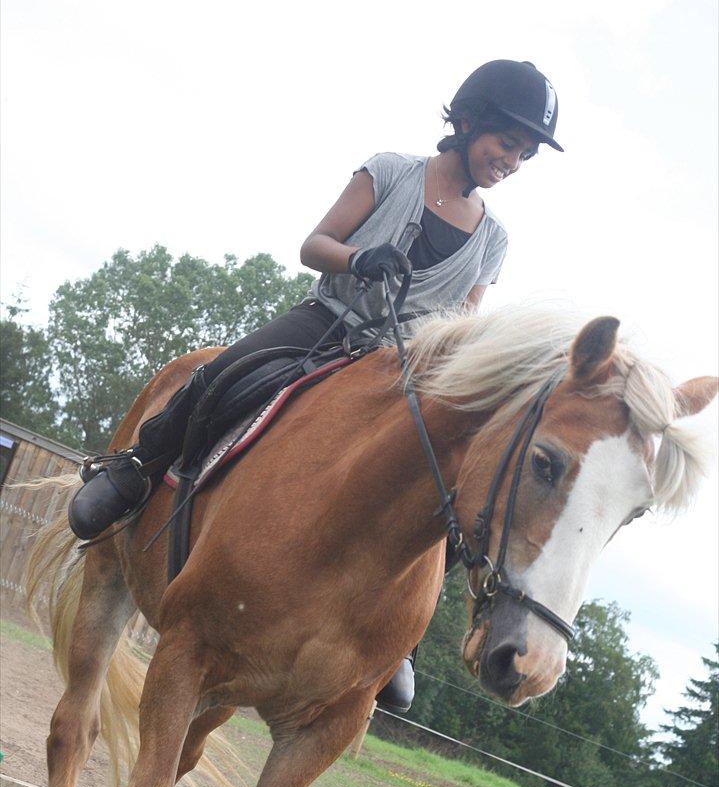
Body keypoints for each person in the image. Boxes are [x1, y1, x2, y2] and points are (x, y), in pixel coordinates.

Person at [68, 58, 563, 711]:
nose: (512, 161)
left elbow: (463, 325)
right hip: (326, 323)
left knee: (451, 482)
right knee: (221, 372)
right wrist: (359, 258)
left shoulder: (492, 238)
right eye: (507, 143)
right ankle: (135, 469)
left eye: (524, 154)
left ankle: (402, 639)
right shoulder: (389, 171)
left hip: (400, 373)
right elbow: (314, 244)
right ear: (469, 122)